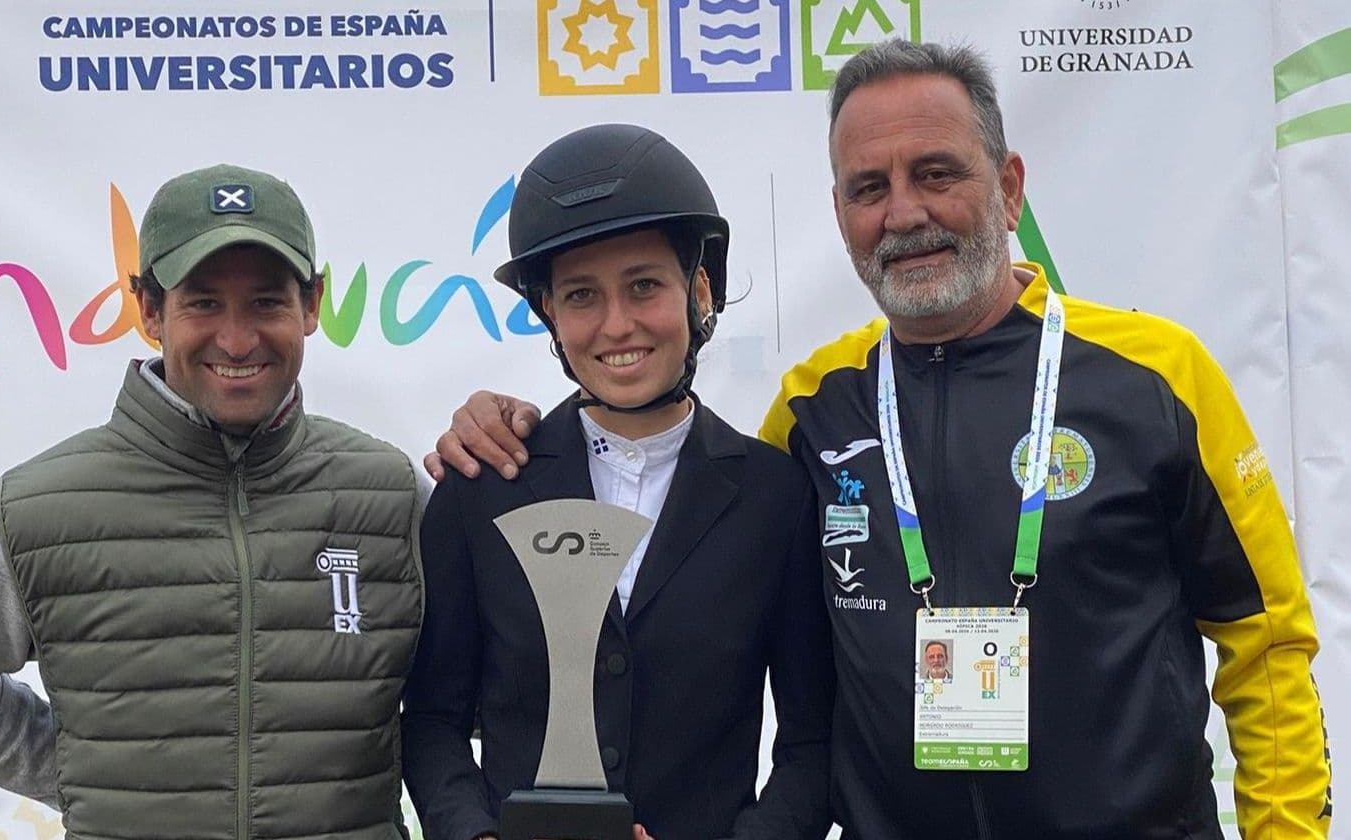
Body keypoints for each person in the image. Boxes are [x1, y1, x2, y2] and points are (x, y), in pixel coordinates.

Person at [424, 41, 1332, 839]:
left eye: (936, 173)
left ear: (1009, 186)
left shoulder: (1158, 378)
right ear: (840, 213)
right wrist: (503, 423)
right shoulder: (813, 411)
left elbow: (1266, 646)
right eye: (870, 188)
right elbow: (662, 459)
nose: (903, 214)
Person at [0, 163, 425, 840]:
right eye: (202, 303)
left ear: (311, 305)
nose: (236, 339)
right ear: (148, 309)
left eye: (266, 302)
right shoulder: (31, 511)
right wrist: (84, 773)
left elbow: (478, 697)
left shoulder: (394, 493)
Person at [400, 124, 833, 840]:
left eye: (643, 286)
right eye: (580, 296)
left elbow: (812, 746)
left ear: (699, 289)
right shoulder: (484, 485)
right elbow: (434, 723)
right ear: (549, 314)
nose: (616, 325)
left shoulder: (774, 498)